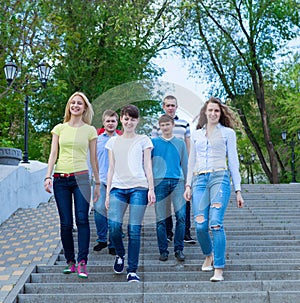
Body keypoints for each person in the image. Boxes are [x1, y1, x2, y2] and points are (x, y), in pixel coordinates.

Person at [183, 97, 244, 282]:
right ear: (205, 112)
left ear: (220, 113)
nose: (213, 113)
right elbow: (191, 160)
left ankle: (218, 268)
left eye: (216, 111)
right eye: (210, 110)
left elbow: (233, 161)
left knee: (215, 223)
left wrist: (238, 190)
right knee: (201, 226)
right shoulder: (196, 134)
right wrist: (188, 185)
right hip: (200, 180)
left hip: (220, 178)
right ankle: (208, 254)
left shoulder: (228, 133)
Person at [44, 92, 100, 279]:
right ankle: (70, 261)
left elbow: (93, 159)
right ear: (69, 106)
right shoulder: (59, 128)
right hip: (61, 179)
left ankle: (82, 261)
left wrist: (98, 183)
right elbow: (53, 154)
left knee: (82, 219)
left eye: (80, 103)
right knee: (66, 223)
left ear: (85, 108)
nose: (76, 105)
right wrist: (47, 176)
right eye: (73, 102)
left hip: (82, 178)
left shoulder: (90, 130)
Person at [105, 104, 156, 283]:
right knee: (114, 226)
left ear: (137, 121)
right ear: (121, 119)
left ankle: (132, 270)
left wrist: (151, 188)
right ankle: (120, 254)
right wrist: (106, 194)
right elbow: (110, 168)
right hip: (117, 188)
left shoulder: (144, 140)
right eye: (126, 118)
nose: (129, 122)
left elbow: (148, 165)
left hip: (139, 188)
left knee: (134, 229)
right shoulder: (112, 142)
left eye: (133, 119)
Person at [151, 95, 195, 244]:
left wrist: (189, 169)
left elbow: (188, 146)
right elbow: (153, 150)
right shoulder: (158, 125)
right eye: (168, 105)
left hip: (180, 171)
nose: (170, 108)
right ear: (163, 107)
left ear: (177, 107)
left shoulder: (184, 124)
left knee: (184, 203)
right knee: (165, 204)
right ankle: (168, 233)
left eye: (173, 105)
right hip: (162, 173)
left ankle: (185, 233)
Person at [152, 114, 188, 262]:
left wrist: (188, 185)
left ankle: (179, 249)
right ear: (160, 127)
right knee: (160, 219)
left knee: (181, 217)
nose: (165, 127)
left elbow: (185, 164)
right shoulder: (153, 143)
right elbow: (148, 164)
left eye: (168, 124)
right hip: (159, 181)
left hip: (178, 181)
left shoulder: (180, 143)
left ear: (173, 125)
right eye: (162, 125)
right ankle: (163, 250)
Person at [92, 110, 120, 255]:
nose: (110, 123)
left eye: (113, 121)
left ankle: (113, 242)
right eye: (108, 121)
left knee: (114, 213)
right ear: (103, 123)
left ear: (117, 122)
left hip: (116, 182)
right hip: (100, 179)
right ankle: (102, 238)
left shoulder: (121, 140)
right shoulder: (97, 140)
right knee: (99, 209)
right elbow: (92, 159)